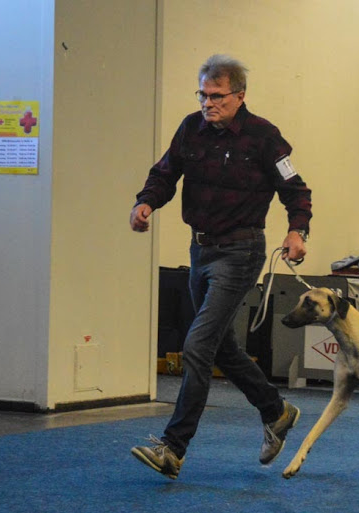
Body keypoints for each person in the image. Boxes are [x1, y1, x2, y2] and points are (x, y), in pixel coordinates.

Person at [129, 54, 312, 479]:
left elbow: (296, 190)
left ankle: (173, 448)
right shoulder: (190, 129)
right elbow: (164, 174)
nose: (207, 103)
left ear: (240, 96)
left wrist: (297, 231)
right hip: (201, 251)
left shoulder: (264, 136)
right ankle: (276, 411)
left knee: (197, 346)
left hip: (240, 251)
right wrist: (145, 203)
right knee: (221, 347)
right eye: (203, 94)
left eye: (217, 96)